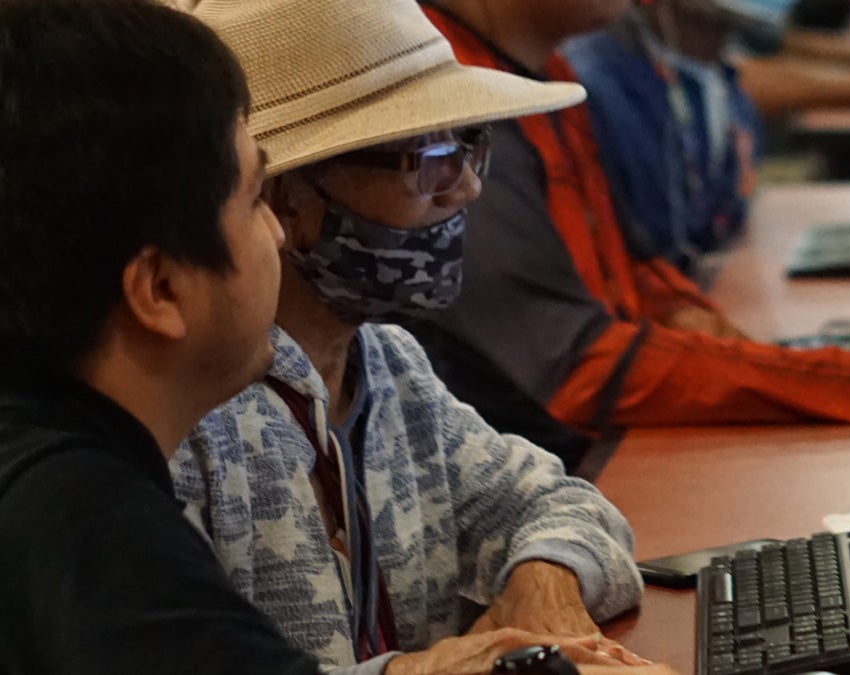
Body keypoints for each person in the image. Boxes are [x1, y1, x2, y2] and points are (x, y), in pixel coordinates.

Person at [172, 0, 654, 671]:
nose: (466, 191)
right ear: (285, 199)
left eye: (470, 146)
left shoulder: (388, 362)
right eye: (430, 158)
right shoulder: (187, 422)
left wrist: (542, 584)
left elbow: (561, 500)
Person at [405, 0, 850, 438]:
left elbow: (619, 258)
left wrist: (682, 310)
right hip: (536, 482)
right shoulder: (453, 106)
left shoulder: (544, 70)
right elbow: (581, 373)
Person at [563, 0, 762, 270]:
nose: (715, 39)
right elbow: (653, 237)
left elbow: (726, 207)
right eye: (705, 25)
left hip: (711, 274)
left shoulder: (717, 79)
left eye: (725, 29)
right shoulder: (596, 87)